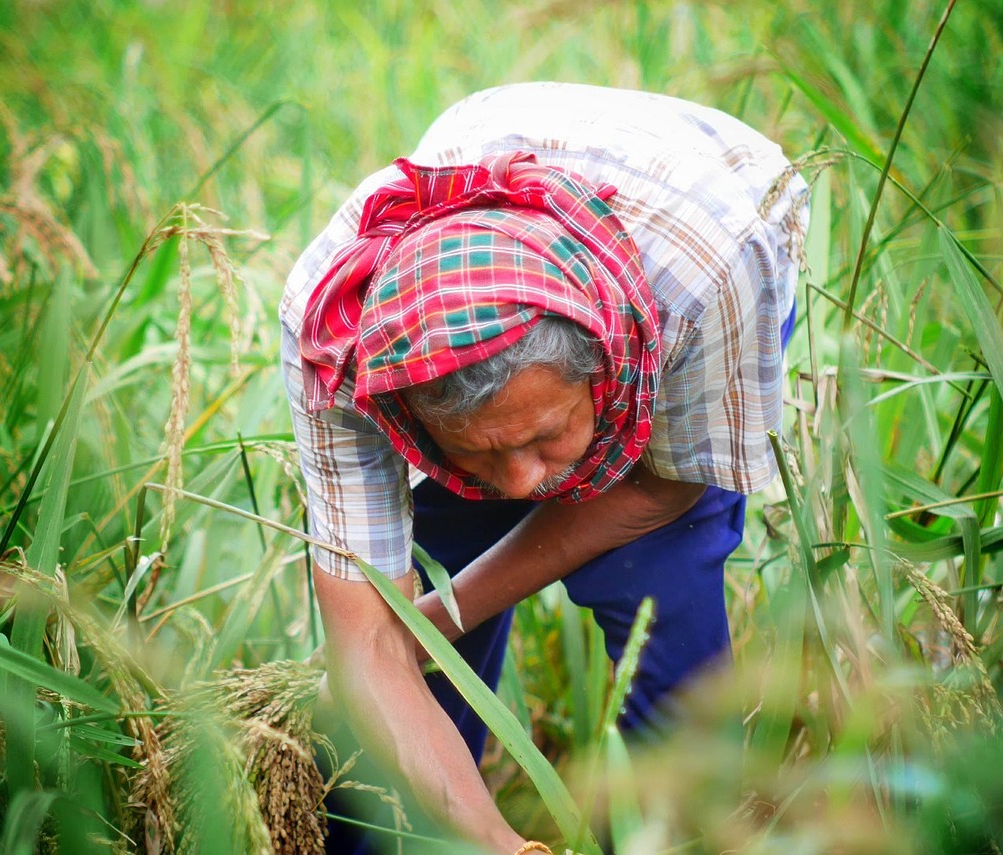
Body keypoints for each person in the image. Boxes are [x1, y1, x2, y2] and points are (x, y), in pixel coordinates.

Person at [280, 82, 809, 853]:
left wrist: (425, 625)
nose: (527, 482)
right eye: (478, 447)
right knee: (430, 571)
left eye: (547, 434)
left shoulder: (709, 280)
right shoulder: (336, 335)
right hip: (494, 187)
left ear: (605, 370)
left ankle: (667, 830)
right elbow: (365, 641)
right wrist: (494, 839)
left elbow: (660, 488)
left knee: (659, 580)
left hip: (710, 216)